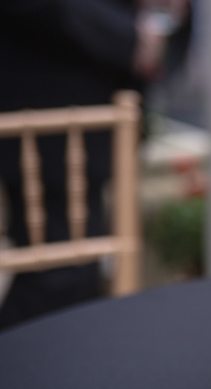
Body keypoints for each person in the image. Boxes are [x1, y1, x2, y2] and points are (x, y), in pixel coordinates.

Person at [0, 0, 189, 330]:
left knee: (77, 271)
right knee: (60, 275)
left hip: (88, 115)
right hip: (50, 116)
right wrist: (128, 37)